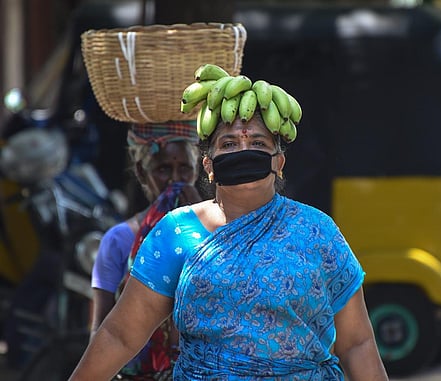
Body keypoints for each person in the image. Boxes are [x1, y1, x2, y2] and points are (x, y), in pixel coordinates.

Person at [69, 76, 388, 380]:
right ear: (207, 165)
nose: (243, 150)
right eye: (229, 143)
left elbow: (356, 343)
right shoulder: (177, 233)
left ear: (279, 162)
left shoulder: (318, 232)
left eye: (258, 142)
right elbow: (120, 335)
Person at [89, 121, 202, 380]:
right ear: (141, 172)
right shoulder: (118, 240)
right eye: (163, 169)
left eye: (184, 168)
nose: (175, 180)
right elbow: (101, 329)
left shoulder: (214, 230)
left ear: (196, 172)